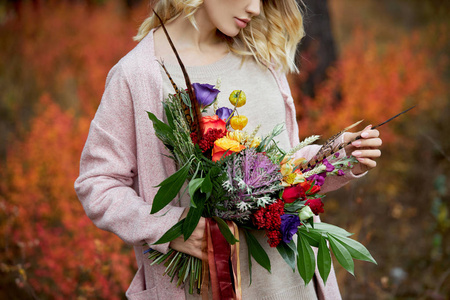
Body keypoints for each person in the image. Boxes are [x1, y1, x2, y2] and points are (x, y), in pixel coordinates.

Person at [75, 0, 382, 299]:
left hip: (294, 284)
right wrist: (171, 227)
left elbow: (284, 170)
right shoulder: (138, 75)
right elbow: (97, 184)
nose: (257, 8)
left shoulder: (262, 54)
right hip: (201, 289)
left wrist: (335, 156)